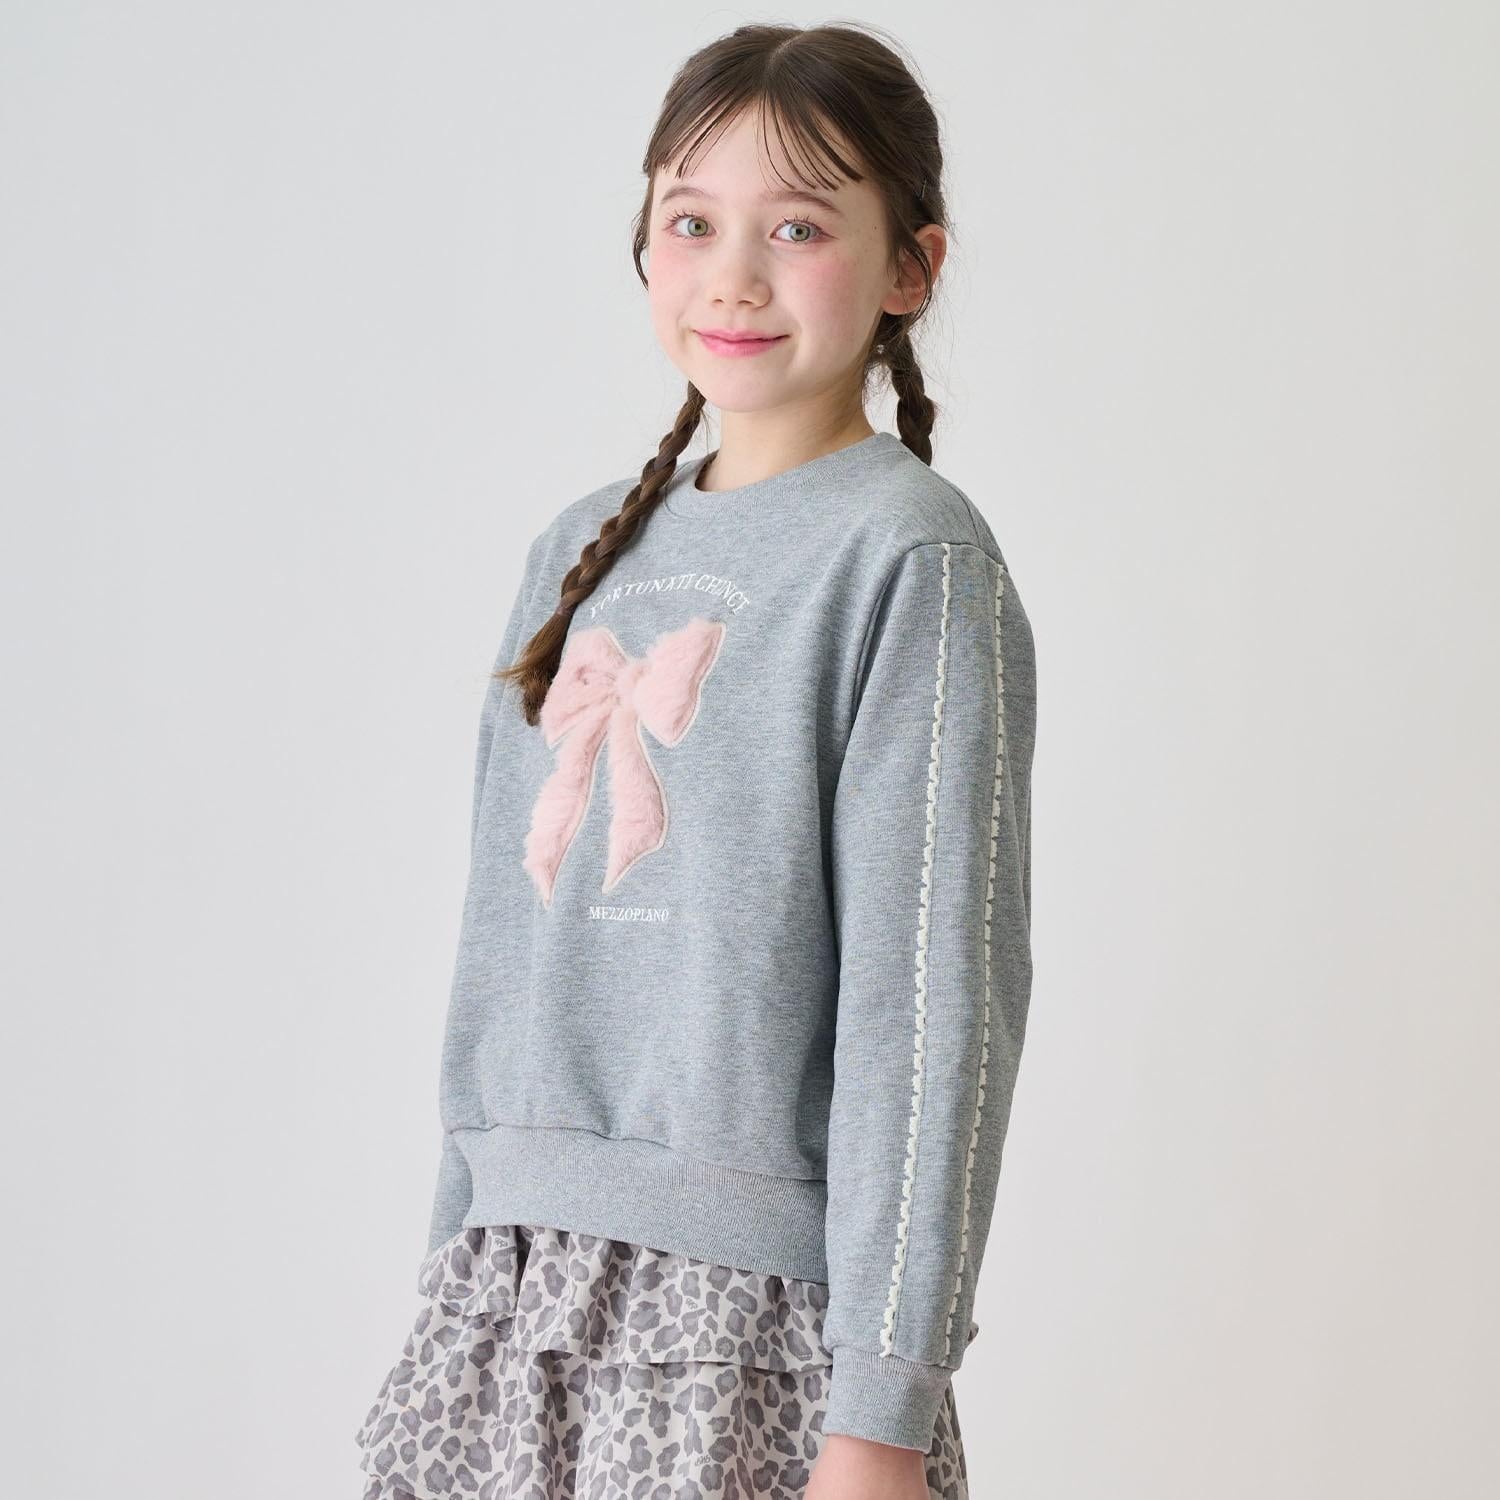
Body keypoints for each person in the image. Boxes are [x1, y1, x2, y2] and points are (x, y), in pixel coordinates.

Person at [355, 20, 1038, 1500]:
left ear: (911, 267)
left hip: (755, 1339)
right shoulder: (578, 550)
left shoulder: (910, 561)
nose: (733, 274)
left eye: (798, 227)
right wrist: (456, 1261)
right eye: (691, 221)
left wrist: (882, 1410)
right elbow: (501, 948)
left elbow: (932, 1015)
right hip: (512, 1309)